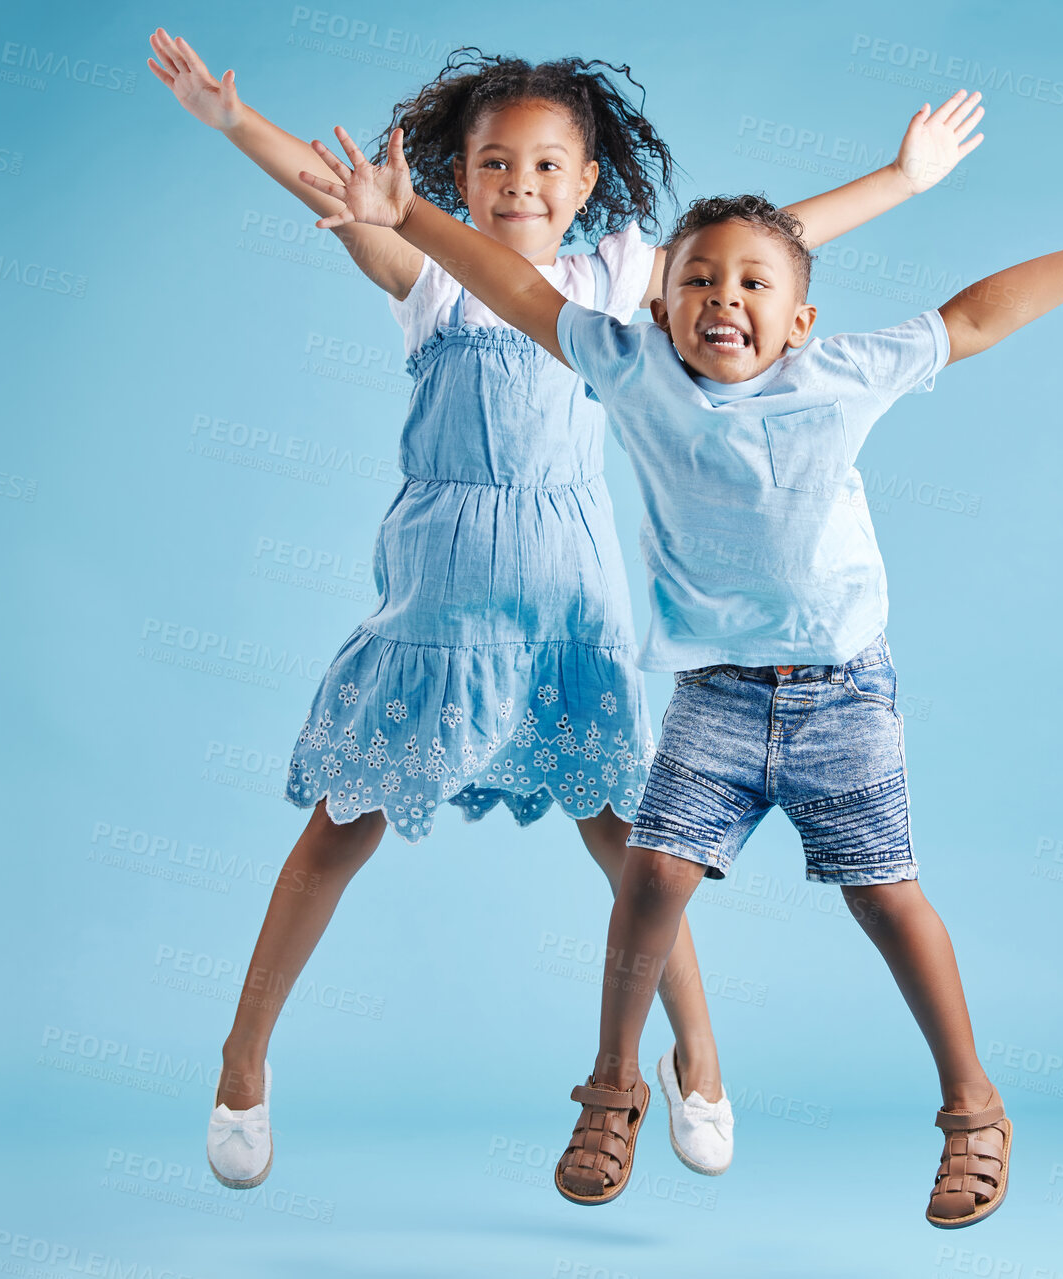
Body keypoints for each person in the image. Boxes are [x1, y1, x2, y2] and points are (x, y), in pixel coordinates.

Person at [147, 28, 987, 1190]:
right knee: (346, 820)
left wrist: (901, 180)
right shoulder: (428, 270)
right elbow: (337, 190)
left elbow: (752, 254)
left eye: (548, 165)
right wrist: (233, 121)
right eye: (495, 164)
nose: (521, 185)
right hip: (443, 589)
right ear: (458, 177)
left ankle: (695, 1058)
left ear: (588, 183)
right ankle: (243, 1060)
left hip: (570, 590)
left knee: (637, 841)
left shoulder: (610, 283)